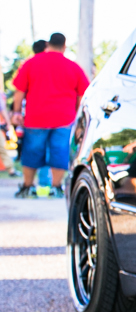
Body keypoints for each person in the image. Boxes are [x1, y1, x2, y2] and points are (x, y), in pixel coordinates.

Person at [10, 32, 90, 198]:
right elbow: (82, 94)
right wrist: (76, 113)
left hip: (35, 117)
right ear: (64, 46)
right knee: (60, 152)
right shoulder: (73, 66)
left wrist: (16, 112)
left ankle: (27, 187)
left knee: (32, 151)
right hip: (64, 118)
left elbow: (19, 92)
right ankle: (56, 187)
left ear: (48, 44)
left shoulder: (31, 63)